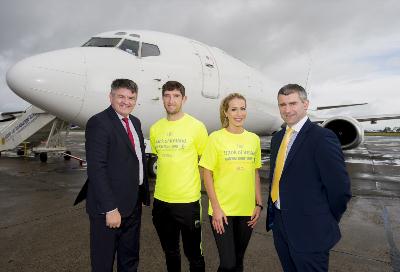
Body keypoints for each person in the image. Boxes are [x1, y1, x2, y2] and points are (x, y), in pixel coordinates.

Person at [266, 84, 351, 272]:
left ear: (306, 104)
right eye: (282, 105)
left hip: (311, 230)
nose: (287, 110)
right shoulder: (278, 138)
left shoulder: (322, 138)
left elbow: (340, 190)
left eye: (293, 103)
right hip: (281, 225)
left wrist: (324, 220)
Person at [84, 79, 150, 272]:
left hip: (133, 204)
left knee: (129, 260)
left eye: (131, 98)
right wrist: (110, 208)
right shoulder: (99, 122)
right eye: (121, 96)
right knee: (103, 263)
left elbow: (136, 159)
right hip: (109, 208)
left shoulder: (135, 122)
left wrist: (142, 194)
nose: (126, 102)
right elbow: (97, 168)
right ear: (110, 96)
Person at [199, 93, 263, 272]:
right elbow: (207, 174)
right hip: (222, 210)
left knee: (239, 261)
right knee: (228, 263)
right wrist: (216, 209)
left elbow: (255, 172)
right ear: (225, 112)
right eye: (234, 109)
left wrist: (258, 203)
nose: (239, 113)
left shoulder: (253, 139)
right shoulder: (215, 138)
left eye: (242, 108)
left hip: (246, 210)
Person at [150, 81, 208, 272]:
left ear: (184, 99)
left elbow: (204, 162)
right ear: (162, 99)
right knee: (170, 252)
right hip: (161, 202)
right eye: (167, 95)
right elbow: (160, 155)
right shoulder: (155, 128)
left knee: (194, 255)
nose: (171, 100)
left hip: (188, 202)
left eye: (176, 96)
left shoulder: (197, 127)